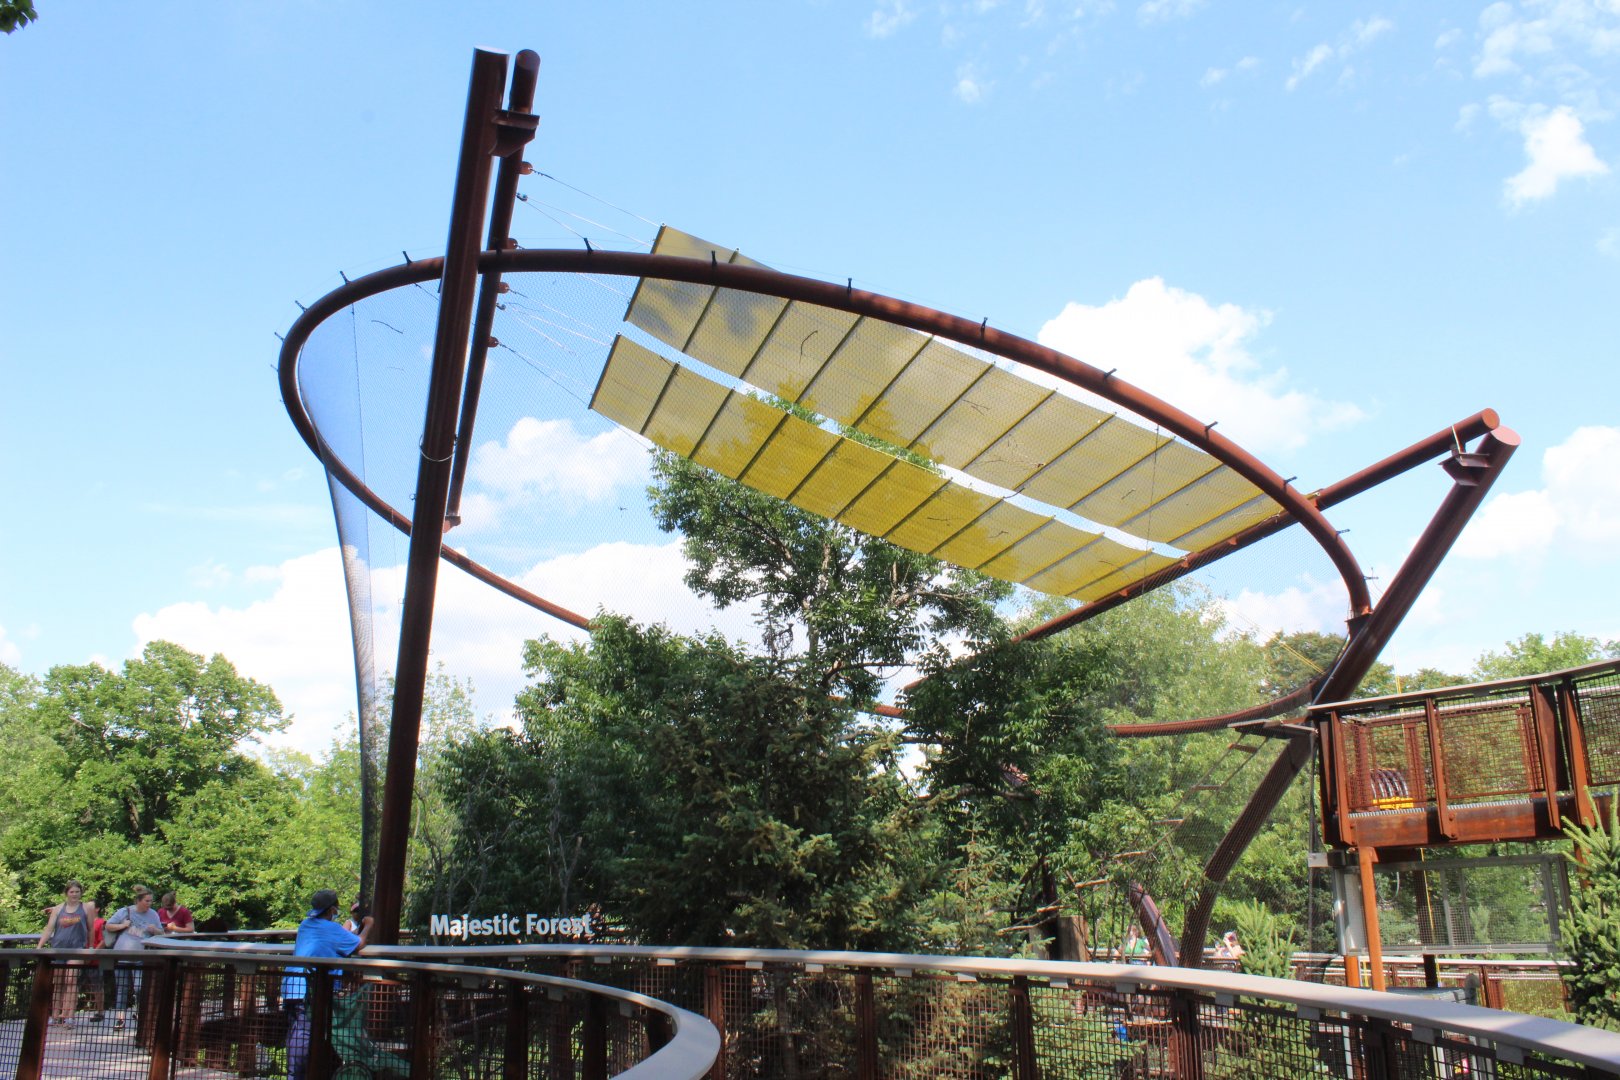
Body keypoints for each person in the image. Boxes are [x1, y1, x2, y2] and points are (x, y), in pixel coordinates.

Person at [284, 889, 372, 1080]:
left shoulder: (306, 925)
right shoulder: (331, 929)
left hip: (292, 987)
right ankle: (295, 1077)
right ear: (332, 909)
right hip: (308, 992)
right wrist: (368, 926)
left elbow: (342, 937)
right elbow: (359, 943)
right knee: (304, 1037)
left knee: (297, 1034)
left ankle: (299, 1075)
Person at [105, 885, 166, 1030]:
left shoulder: (153, 914)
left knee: (140, 987)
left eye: (151, 901)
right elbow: (108, 926)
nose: (149, 904)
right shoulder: (125, 911)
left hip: (141, 956)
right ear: (139, 900)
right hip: (122, 955)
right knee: (122, 988)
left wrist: (154, 930)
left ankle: (140, 1012)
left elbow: (162, 933)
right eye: (147, 901)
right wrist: (122, 925)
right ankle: (120, 1019)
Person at [37, 880, 96, 1025]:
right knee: (58, 983)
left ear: (81, 893)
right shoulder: (58, 909)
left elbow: (91, 928)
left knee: (71, 980)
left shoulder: (86, 908)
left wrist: (91, 947)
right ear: (66, 893)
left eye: (77, 892)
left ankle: (69, 1015)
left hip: (77, 949)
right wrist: (39, 946)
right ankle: (55, 1014)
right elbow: (49, 929)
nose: (75, 894)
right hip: (59, 948)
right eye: (72, 892)